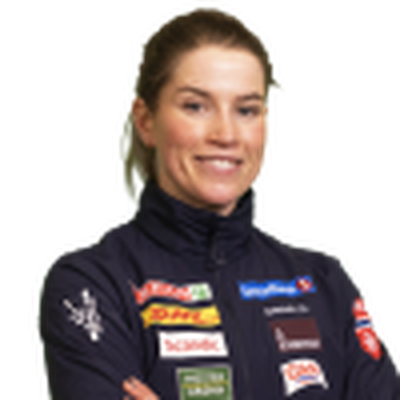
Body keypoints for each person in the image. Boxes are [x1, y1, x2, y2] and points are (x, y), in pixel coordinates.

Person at [36, 6, 400, 400]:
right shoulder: (90, 283)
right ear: (145, 121)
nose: (226, 135)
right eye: (196, 106)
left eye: (246, 110)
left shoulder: (325, 281)